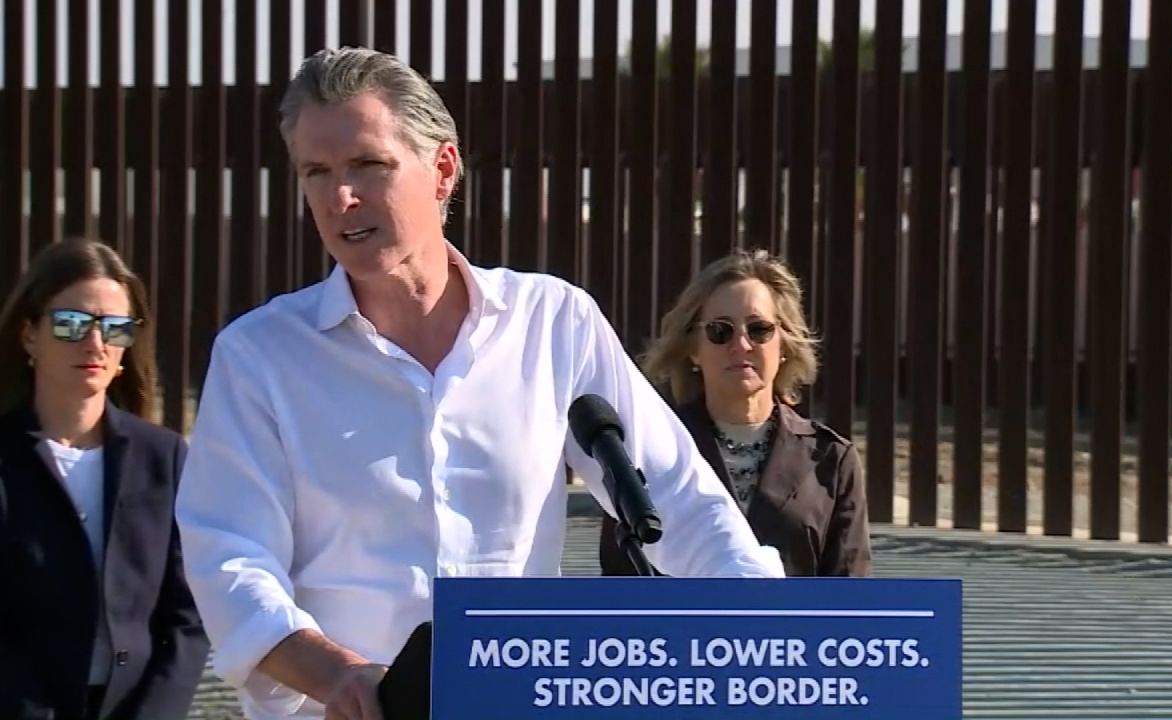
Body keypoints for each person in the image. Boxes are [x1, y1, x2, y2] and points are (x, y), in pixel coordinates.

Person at [175, 46, 784, 720]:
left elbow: (678, 499)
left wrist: (773, 627)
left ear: (441, 170)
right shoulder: (259, 356)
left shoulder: (554, 321)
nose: (340, 197)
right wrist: (339, 675)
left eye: (367, 165)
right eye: (315, 172)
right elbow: (230, 560)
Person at [0, 239, 209, 720]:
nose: (95, 344)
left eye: (114, 328)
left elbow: (188, 618)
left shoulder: (164, 457)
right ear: (30, 335)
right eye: (72, 325)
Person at [598, 249, 872, 577]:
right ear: (693, 349)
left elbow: (853, 599)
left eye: (758, 329)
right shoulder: (649, 450)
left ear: (784, 345)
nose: (741, 345)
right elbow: (619, 587)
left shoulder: (832, 460)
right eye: (720, 331)